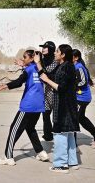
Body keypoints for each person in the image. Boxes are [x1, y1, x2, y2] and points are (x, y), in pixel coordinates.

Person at [0, 50, 49, 166]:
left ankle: (8, 157)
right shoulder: (39, 69)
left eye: (25, 57)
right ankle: (41, 152)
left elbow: (19, 82)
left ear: (32, 58)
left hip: (28, 105)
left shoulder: (29, 70)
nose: (23, 59)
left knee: (14, 129)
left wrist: (5, 85)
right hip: (39, 105)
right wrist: (24, 65)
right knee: (30, 128)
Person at [36, 44, 80, 173]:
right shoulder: (64, 66)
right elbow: (49, 75)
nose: (55, 53)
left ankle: (60, 164)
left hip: (64, 106)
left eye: (57, 51)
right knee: (69, 134)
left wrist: (46, 80)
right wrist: (39, 65)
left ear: (63, 55)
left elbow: (61, 88)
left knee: (60, 134)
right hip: (67, 104)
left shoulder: (66, 67)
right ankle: (72, 162)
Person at [73, 49, 95, 148]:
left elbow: (83, 81)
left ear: (76, 58)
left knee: (74, 119)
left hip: (82, 98)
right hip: (80, 97)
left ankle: (73, 146)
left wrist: (72, 86)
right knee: (81, 118)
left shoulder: (79, 67)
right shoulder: (75, 66)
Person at [38, 41, 58, 141]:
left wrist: (38, 62)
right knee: (45, 114)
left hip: (55, 92)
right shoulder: (43, 60)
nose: (43, 49)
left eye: (45, 47)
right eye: (43, 47)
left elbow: (48, 71)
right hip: (46, 91)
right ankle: (48, 135)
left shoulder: (55, 60)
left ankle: (58, 134)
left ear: (50, 49)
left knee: (56, 116)